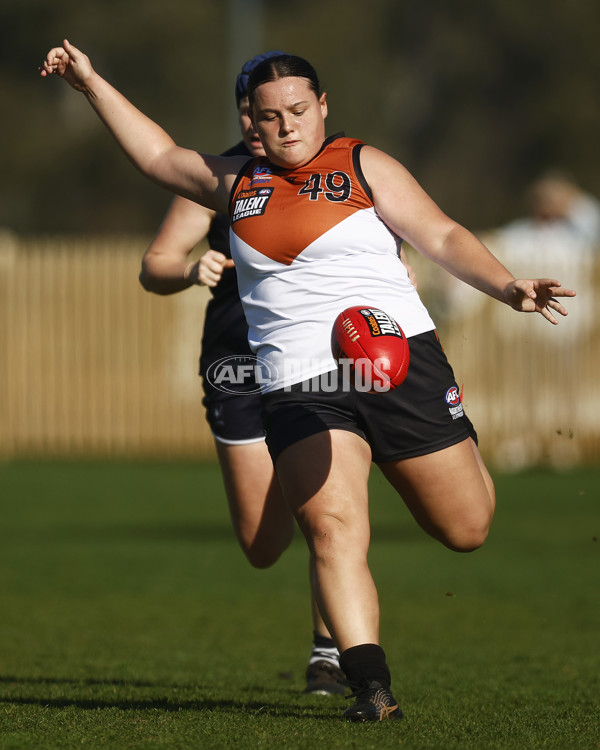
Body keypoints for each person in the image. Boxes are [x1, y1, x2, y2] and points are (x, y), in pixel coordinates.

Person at [40, 42, 575, 722]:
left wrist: (507, 286)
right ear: (250, 122)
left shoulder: (361, 163)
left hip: (396, 362)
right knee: (334, 528)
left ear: (323, 107)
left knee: (466, 526)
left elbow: (440, 235)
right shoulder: (232, 181)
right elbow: (155, 155)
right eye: (270, 116)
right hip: (298, 379)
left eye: (299, 109)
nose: (287, 125)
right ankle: (369, 687)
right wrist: (90, 84)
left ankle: (442, 458)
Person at [138, 50, 347, 696]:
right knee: (263, 543)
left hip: (319, 362)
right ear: (245, 114)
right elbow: (156, 264)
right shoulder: (219, 176)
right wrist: (188, 270)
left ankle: (332, 652)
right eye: (256, 111)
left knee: (330, 518)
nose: (269, 123)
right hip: (237, 363)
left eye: (287, 109)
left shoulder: (345, 171)